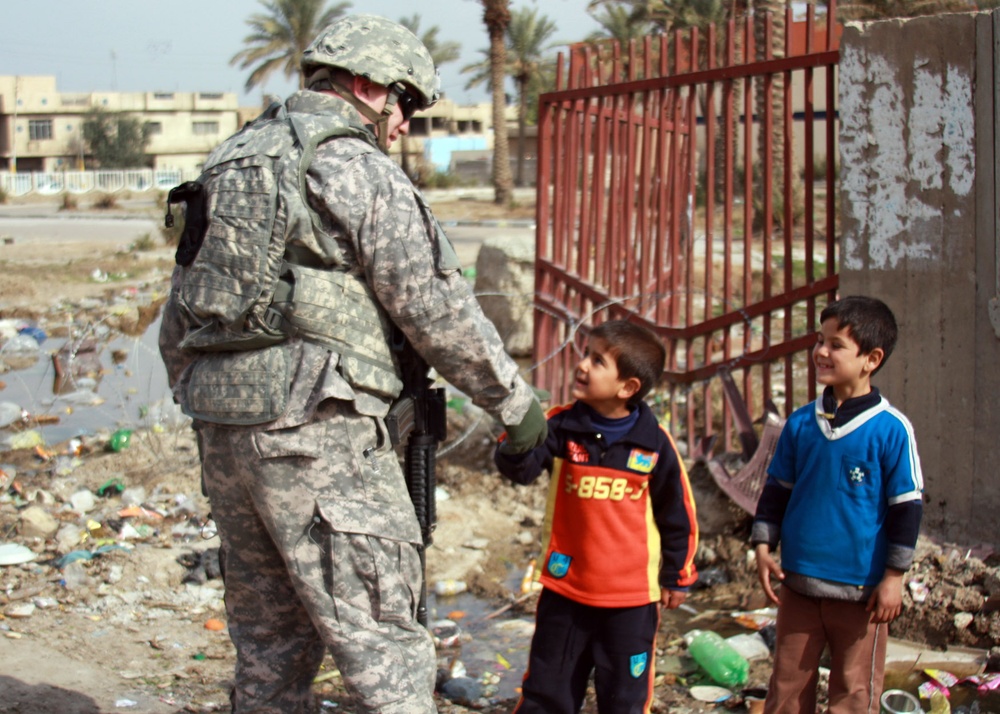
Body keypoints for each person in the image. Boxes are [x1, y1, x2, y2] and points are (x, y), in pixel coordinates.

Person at [158, 14, 547, 714]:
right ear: (368, 86)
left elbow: (180, 315)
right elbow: (433, 306)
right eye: (404, 103)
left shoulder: (230, 160)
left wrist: (208, 397)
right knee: (386, 656)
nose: (403, 124)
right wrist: (516, 407)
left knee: (267, 655)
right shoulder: (354, 167)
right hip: (320, 437)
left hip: (225, 430)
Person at [495, 319, 699, 714]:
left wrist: (679, 574)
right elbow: (521, 472)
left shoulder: (654, 444)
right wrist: (520, 429)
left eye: (598, 360)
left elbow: (678, 513)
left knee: (624, 697)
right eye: (586, 355)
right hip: (566, 588)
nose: (583, 365)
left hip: (632, 600)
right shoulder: (561, 425)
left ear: (628, 388)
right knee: (547, 690)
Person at [752, 295, 924, 714]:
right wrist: (762, 545)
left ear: (871, 358)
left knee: (852, 692)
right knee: (787, 689)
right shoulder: (800, 423)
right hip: (799, 585)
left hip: (861, 593)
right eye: (819, 341)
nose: (821, 352)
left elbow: (906, 507)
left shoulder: (891, 429)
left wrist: (894, 578)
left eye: (836, 344)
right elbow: (777, 490)